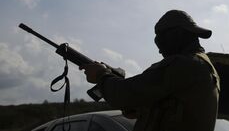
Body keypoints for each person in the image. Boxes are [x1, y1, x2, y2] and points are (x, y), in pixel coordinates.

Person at [82, 10, 220, 131]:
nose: (160, 49)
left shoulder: (184, 64)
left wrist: (101, 74)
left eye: (160, 40)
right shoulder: (200, 65)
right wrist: (139, 108)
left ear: (176, 34)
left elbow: (123, 94)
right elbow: (171, 107)